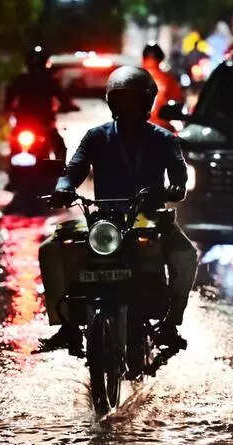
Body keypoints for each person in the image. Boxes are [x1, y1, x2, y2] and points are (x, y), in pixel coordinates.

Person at [36, 66, 199, 354]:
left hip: (150, 217)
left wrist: (167, 192)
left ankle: (171, 325)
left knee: (185, 255)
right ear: (111, 103)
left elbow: (180, 183)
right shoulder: (96, 137)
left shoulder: (165, 140)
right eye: (121, 100)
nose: (127, 107)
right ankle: (67, 327)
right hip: (104, 219)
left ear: (147, 102)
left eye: (134, 100)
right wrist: (63, 187)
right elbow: (74, 170)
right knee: (50, 249)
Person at [4, 45, 69, 161]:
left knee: (13, 144)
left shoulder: (20, 80)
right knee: (60, 147)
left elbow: (9, 99)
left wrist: (7, 108)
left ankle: (12, 169)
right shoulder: (50, 81)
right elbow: (63, 99)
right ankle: (61, 173)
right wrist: (68, 106)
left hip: (29, 124)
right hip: (38, 124)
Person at [141, 43, 184, 130]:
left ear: (144, 57)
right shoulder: (168, 79)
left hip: (136, 126)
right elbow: (178, 100)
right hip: (160, 127)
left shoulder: (134, 76)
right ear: (161, 57)